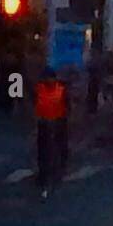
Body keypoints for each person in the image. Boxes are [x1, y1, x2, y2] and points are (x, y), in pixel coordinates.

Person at [34, 67, 69, 200]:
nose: (48, 81)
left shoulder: (61, 89)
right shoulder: (40, 89)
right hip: (44, 123)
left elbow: (67, 105)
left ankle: (56, 172)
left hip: (58, 122)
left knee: (58, 148)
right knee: (43, 150)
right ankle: (44, 174)